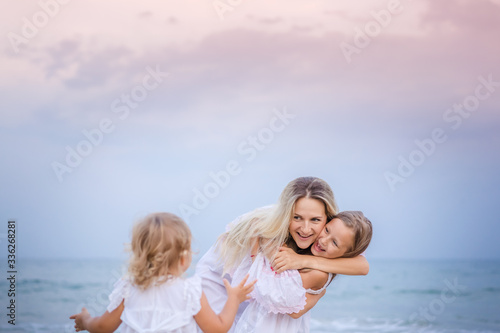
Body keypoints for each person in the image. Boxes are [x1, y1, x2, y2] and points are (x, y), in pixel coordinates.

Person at [195, 177, 369, 331]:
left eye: (315, 219)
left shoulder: (329, 234)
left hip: (252, 303)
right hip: (219, 287)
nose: (306, 228)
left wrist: (304, 260)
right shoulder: (268, 230)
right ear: (286, 214)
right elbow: (282, 299)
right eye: (297, 217)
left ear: (328, 218)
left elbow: (363, 266)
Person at [69, 212, 256, 333]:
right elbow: (217, 328)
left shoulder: (128, 288)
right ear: (184, 259)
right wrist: (234, 298)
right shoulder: (190, 291)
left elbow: (103, 327)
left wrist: (86, 320)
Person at [232, 211, 373, 333]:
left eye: (334, 243)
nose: (324, 241)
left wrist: (256, 253)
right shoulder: (304, 250)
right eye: (327, 230)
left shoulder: (318, 274)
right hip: (256, 322)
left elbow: (272, 293)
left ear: (346, 254)